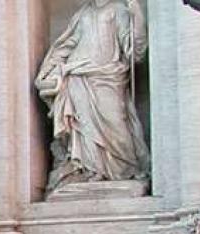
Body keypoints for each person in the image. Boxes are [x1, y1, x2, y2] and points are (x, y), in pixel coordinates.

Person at [35, 0, 149, 194]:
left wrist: (137, 15)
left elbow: (133, 51)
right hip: (77, 77)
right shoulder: (82, 14)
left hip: (108, 76)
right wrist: (48, 70)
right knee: (82, 126)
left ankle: (122, 170)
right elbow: (66, 46)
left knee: (116, 124)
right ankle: (87, 169)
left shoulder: (118, 10)